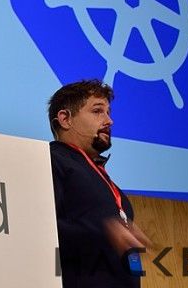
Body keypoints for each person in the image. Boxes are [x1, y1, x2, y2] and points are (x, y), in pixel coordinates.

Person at [49, 80, 150, 287]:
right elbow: (42, 229)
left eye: (108, 112)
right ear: (65, 119)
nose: (109, 121)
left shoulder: (106, 182)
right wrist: (105, 232)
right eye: (97, 111)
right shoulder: (51, 160)